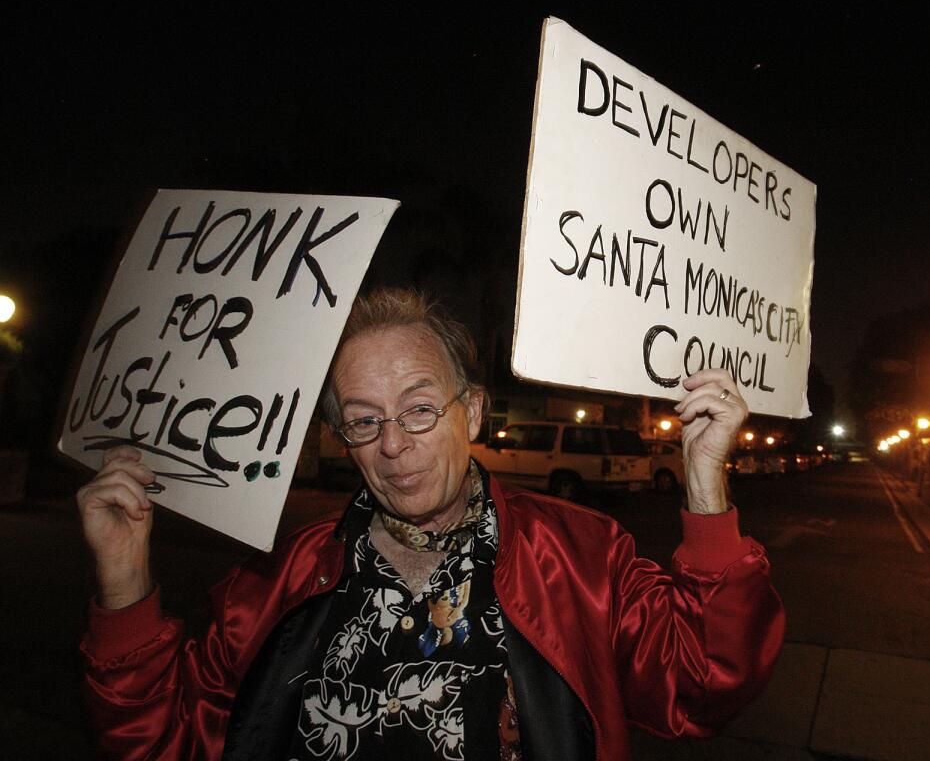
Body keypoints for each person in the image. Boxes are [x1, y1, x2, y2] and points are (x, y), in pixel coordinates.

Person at [78, 288, 784, 760]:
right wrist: (124, 581)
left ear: (472, 413)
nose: (392, 444)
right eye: (363, 420)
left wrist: (703, 485)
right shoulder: (272, 580)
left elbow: (705, 680)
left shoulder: (583, 555)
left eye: (419, 409)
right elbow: (161, 743)